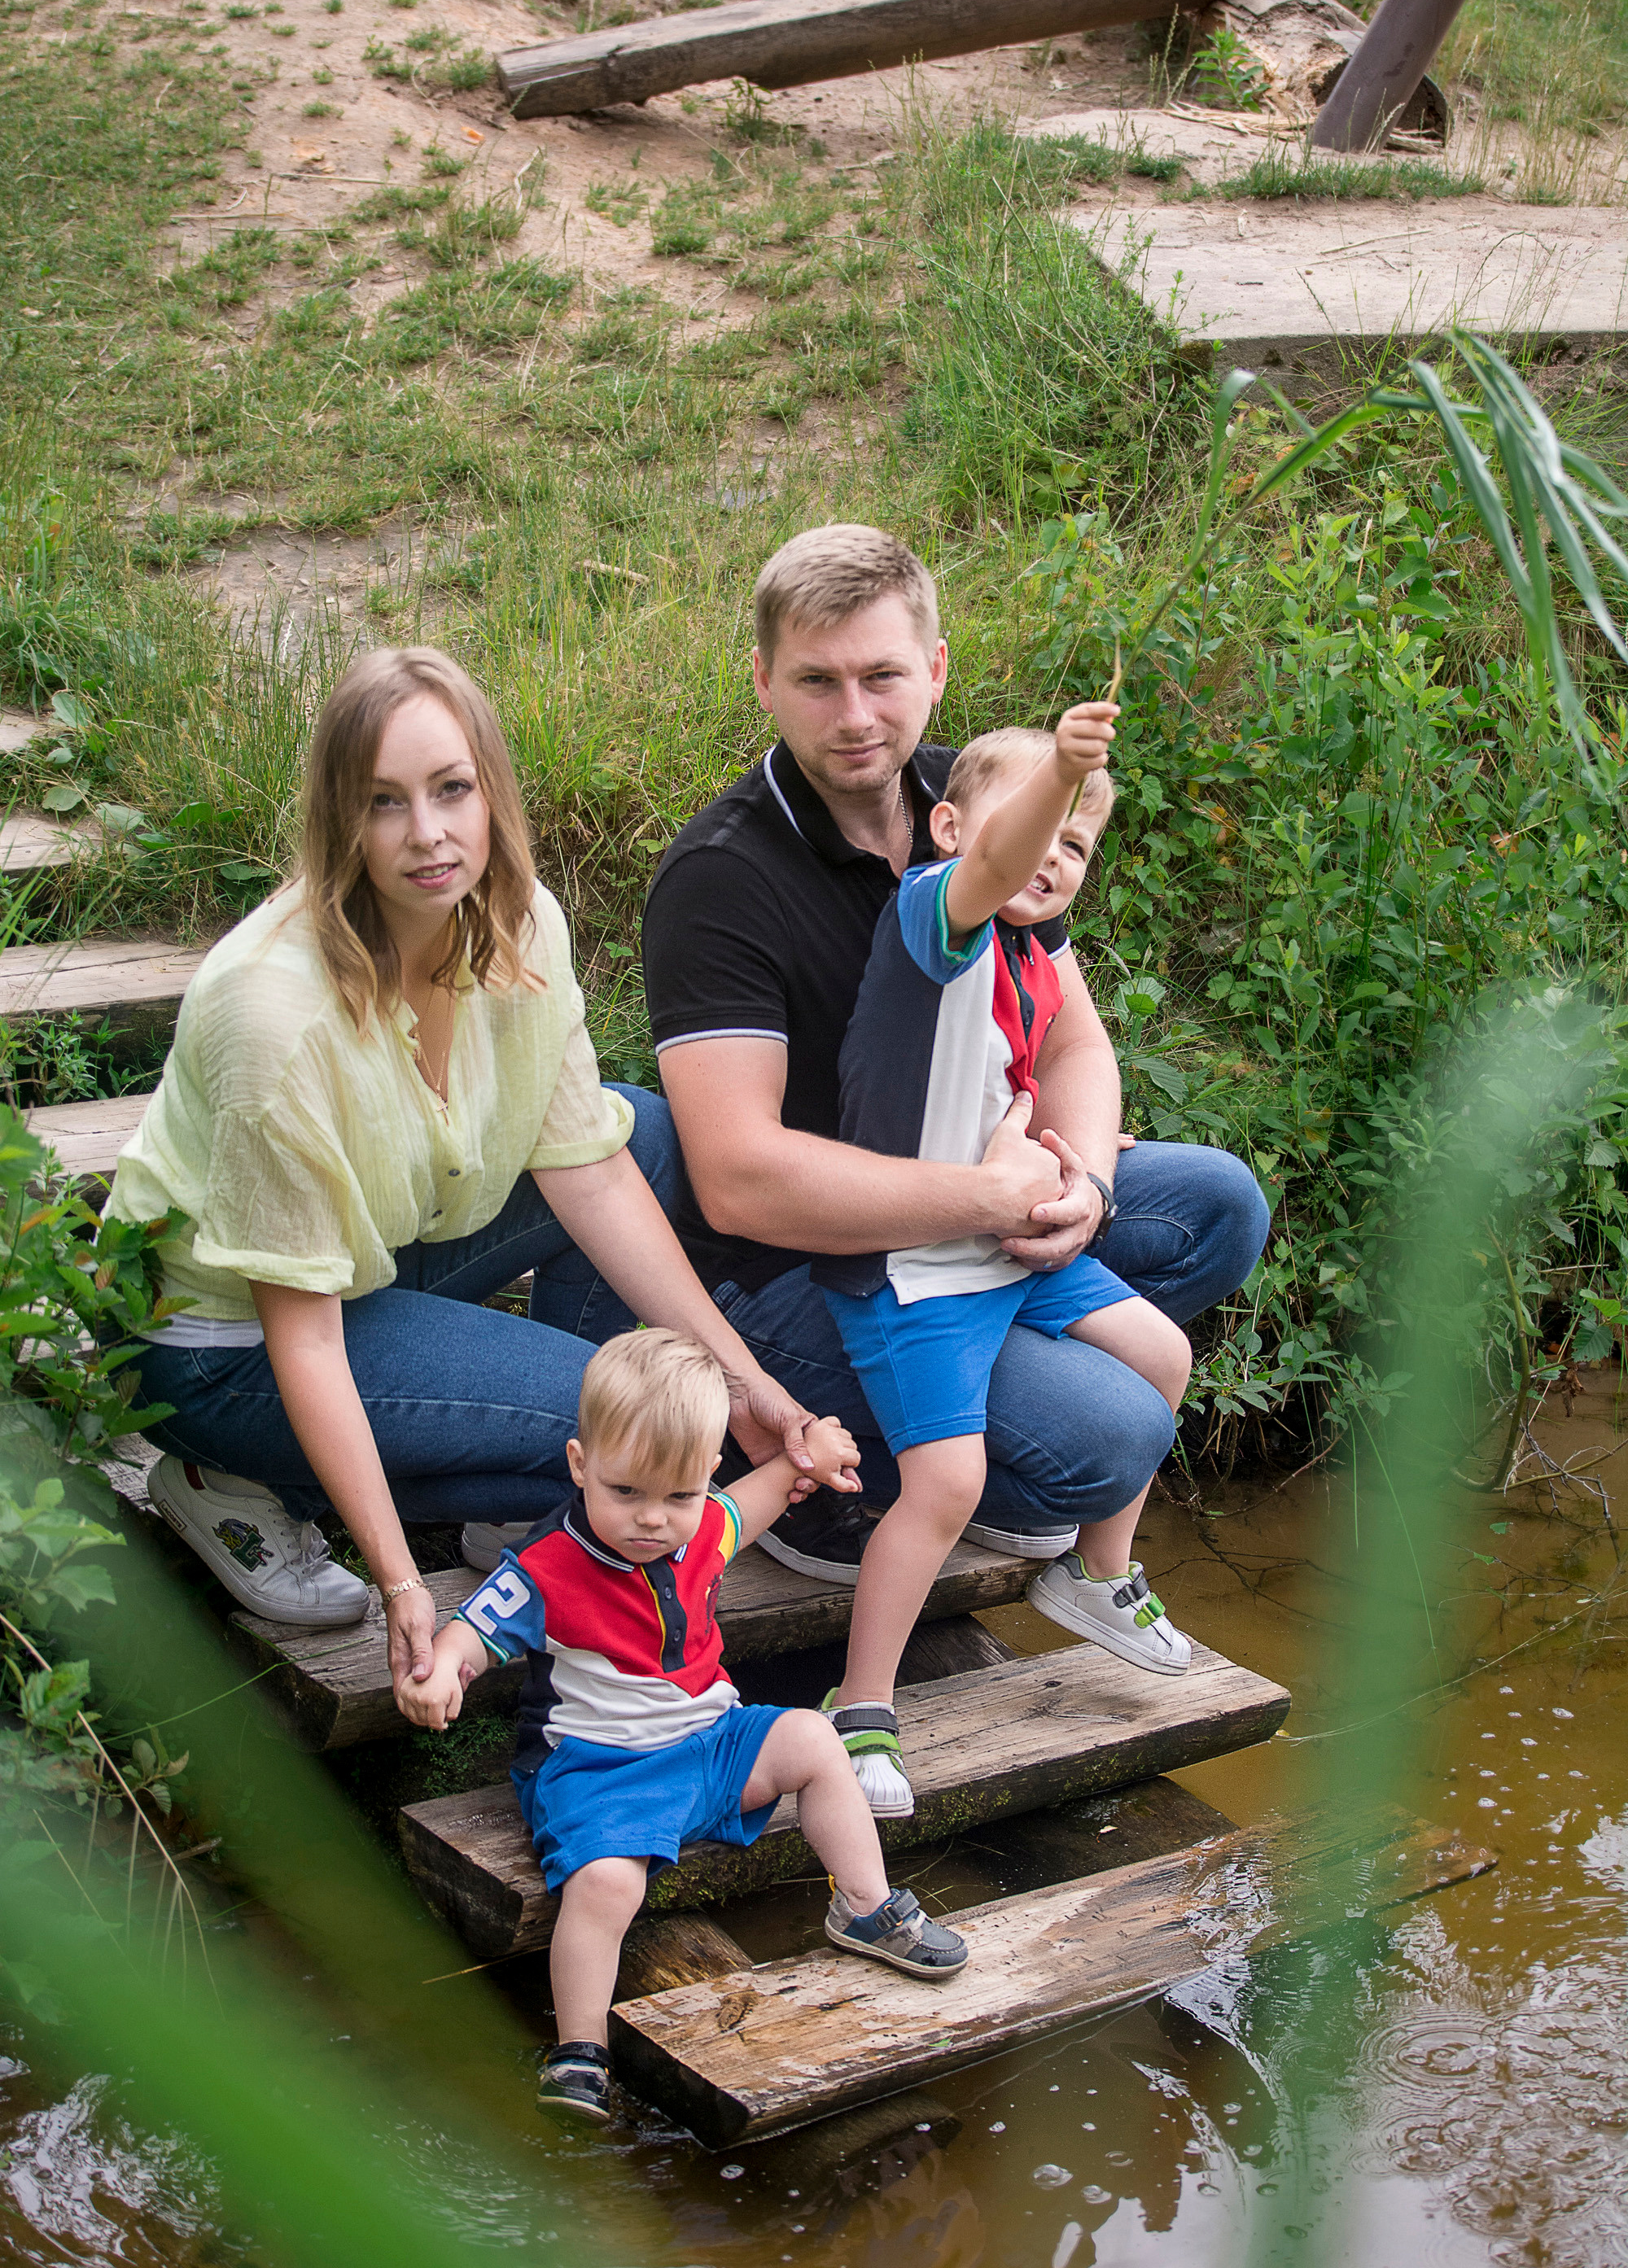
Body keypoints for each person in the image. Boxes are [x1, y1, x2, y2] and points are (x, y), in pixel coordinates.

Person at [108, 648, 822, 1704]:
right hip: (230, 1343)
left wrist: (741, 1382)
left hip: (368, 1256)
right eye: (384, 803)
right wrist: (401, 1583)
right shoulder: (275, 1016)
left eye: (452, 789)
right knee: (632, 1450)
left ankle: (529, 1482)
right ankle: (237, 1473)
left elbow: (594, 1175)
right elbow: (301, 1333)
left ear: (490, 785)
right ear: (338, 821)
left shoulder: (519, 926)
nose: (430, 835)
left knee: (649, 1140)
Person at [641, 524, 1270, 1601]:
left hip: (973, 1206)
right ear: (762, 681)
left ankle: (958, 1428)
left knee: (1216, 1202)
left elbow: (1070, 1036)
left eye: (883, 676)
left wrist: (1089, 1186)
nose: (854, 716)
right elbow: (739, 1181)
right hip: (804, 1272)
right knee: (1114, 1436)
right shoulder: (720, 878)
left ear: (935, 669)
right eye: (816, 681)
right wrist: (982, 1198)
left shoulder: (973, 795)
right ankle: (843, 1493)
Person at [398, 1328, 970, 2122]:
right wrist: (439, 1673)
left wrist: (810, 1452)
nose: (650, 1521)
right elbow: (473, 1629)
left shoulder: (704, 1523)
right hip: (599, 1769)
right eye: (624, 1492)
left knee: (813, 1740)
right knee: (602, 1884)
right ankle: (579, 2052)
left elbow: (761, 1494)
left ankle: (864, 1906)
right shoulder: (544, 1568)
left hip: (709, 1742)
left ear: (705, 1474)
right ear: (578, 1466)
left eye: (676, 1496)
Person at [812, 721, 1193, 1815]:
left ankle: (1098, 1573)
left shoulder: (1033, 950)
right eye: (1034, 831)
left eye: (1075, 846)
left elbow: (1038, 1073)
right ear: (949, 828)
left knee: (1162, 1353)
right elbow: (995, 863)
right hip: (913, 1264)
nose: (1051, 859)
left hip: (1008, 1245)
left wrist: (1071, 1166)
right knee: (950, 1483)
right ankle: (862, 1708)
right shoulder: (934, 918)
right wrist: (1063, 774)